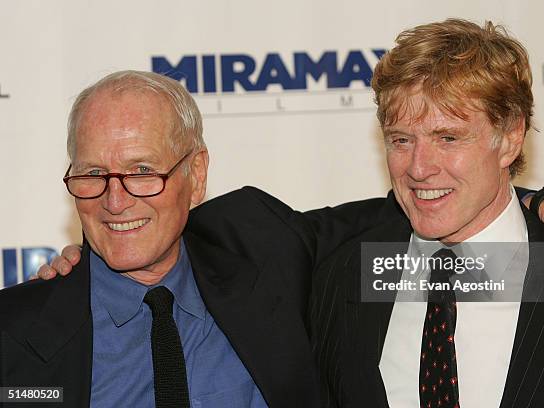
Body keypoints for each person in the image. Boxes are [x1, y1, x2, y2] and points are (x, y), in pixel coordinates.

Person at [0, 71, 387, 407]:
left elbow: (406, 215)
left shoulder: (266, 254)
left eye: (142, 171)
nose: (114, 201)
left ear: (196, 174)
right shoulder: (14, 335)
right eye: (94, 173)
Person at [309, 19, 544, 408]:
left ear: (510, 138)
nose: (418, 168)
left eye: (447, 138)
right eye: (401, 140)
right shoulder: (342, 276)